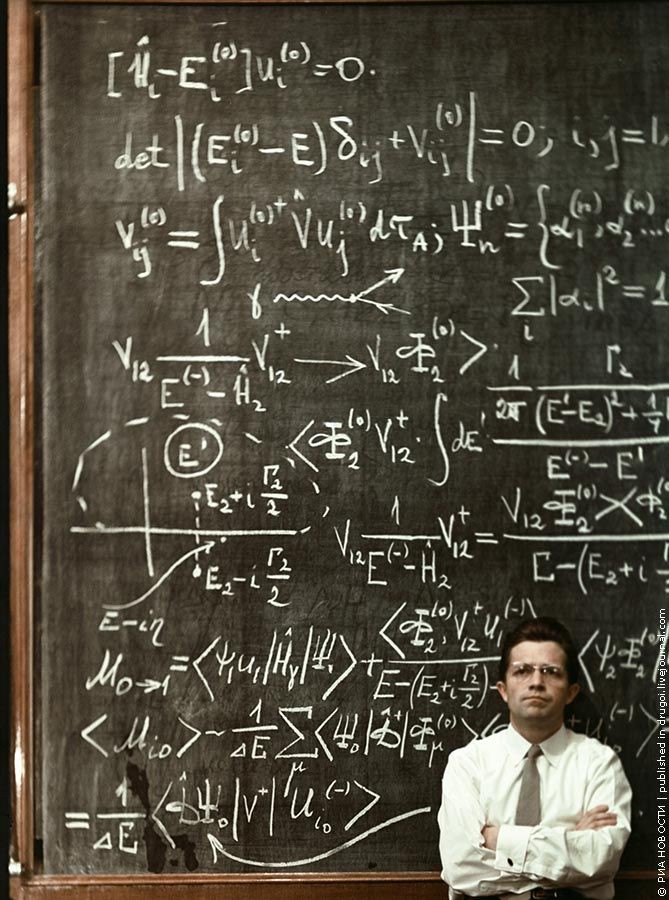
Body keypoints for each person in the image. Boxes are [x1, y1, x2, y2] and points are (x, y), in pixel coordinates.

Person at [437, 616, 632, 900]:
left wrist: (498, 839)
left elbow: (600, 860)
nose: (537, 682)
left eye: (551, 672)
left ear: (571, 692)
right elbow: (461, 867)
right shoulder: (467, 763)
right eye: (522, 671)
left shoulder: (599, 763)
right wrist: (570, 845)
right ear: (503, 690)